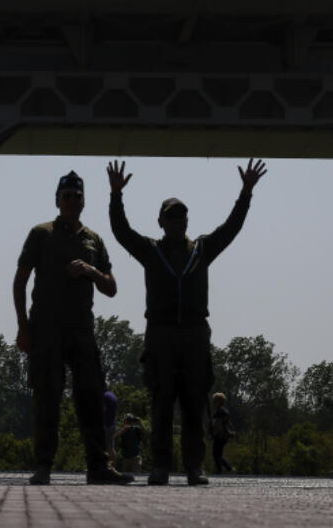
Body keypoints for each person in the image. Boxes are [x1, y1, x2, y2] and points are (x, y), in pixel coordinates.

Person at [107, 158, 267, 486]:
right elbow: (121, 232)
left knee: (194, 404)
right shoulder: (151, 251)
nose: (178, 220)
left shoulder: (203, 249)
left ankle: (195, 466)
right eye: (171, 216)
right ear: (161, 221)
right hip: (161, 336)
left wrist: (246, 193)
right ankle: (161, 467)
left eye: (182, 215)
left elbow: (231, 228)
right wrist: (115, 196)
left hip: (194, 335)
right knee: (162, 403)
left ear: (187, 220)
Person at [13, 170, 132, 486]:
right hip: (46, 328)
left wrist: (91, 270)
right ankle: (43, 466)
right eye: (66, 195)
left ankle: (99, 467)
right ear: (57, 200)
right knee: (47, 397)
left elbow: (111, 288)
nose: (72, 200)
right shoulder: (41, 233)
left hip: (82, 330)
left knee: (92, 399)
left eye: (77, 196)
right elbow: (20, 281)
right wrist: (23, 327)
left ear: (83, 201)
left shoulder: (93, 239)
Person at [210, 392, 235, 474]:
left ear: (220, 401)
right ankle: (224, 469)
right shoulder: (219, 411)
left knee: (217, 454)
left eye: (215, 400)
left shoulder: (221, 411)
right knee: (216, 454)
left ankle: (226, 469)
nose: (213, 402)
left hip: (221, 435)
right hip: (219, 435)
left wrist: (223, 432)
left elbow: (223, 423)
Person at [103, 386, 119, 463]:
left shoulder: (104, 396)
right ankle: (113, 468)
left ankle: (103, 467)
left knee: (102, 447)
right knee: (111, 448)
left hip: (105, 424)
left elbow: (103, 408)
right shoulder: (113, 396)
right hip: (112, 423)